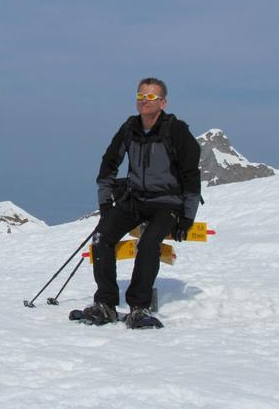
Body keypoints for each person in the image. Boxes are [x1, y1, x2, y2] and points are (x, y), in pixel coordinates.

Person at [82, 77, 201, 328]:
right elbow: (109, 163)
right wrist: (105, 204)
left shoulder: (176, 130)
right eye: (140, 96)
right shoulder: (130, 128)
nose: (144, 101)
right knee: (101, 238)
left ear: (163, 102)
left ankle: (139, 307)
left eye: (150, 97)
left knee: (148, 245)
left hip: (167, 203)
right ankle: (105, 304)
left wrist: (187, 217)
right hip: (134, 199)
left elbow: (191, 175)